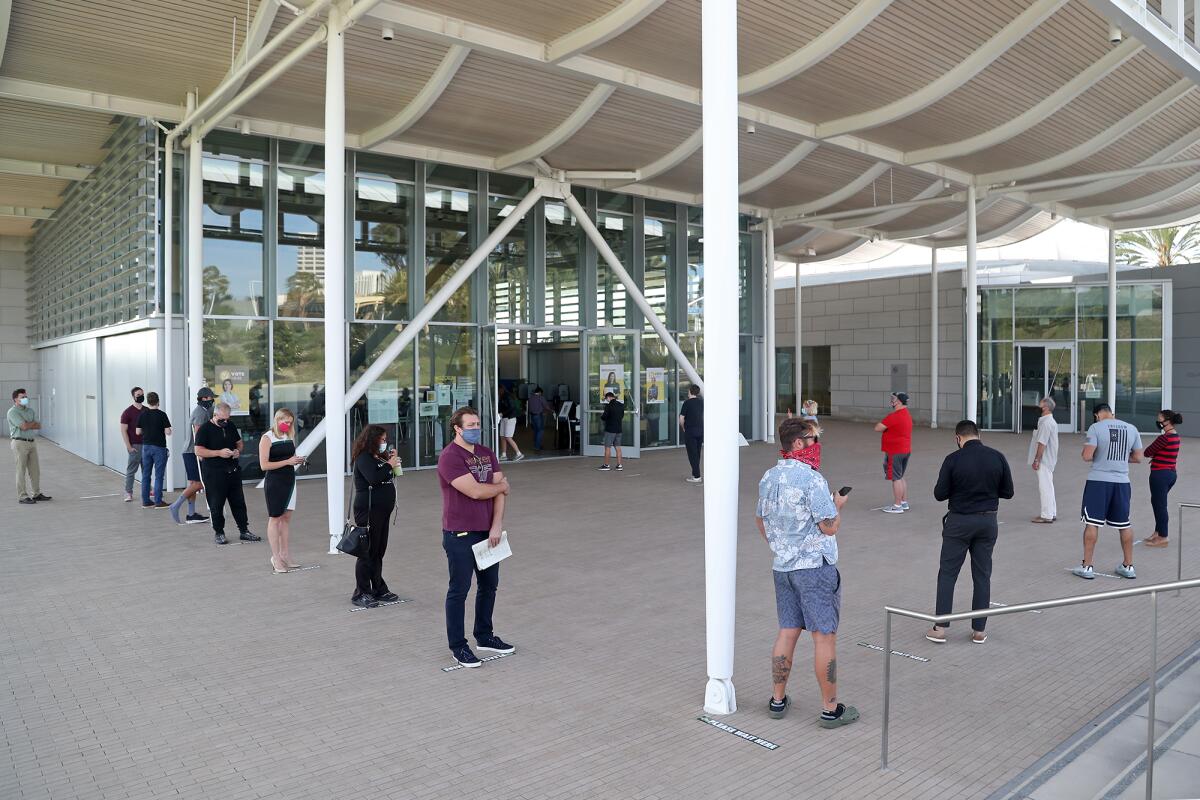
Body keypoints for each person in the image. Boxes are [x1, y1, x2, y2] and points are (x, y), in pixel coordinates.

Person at [756, 416, 856, 728]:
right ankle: (830, 709)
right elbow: (828, 527)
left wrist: (781, 543)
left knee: (787, 631)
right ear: (798, 443)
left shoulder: (768, 477)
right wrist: (837, 504)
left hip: (782, 567)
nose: (816, 446)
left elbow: (761, 521)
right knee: (823, 637)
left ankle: (777, 699)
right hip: (814, 570)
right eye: (812, 439)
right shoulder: (812, 480)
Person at [437, 407, 514, 668]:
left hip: (488, 532)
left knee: (489, 586)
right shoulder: (449, 457)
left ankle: (485, 636)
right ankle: (458, 647)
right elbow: (476, 492)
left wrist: (496, 525)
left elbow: (499, 493)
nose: (475, 429)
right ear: (457, 428)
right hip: (459, 533)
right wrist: (500, 486)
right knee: (459, 590)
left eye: (478, 424)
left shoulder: (487, 453)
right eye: (470, 425)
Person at [925, 420, 1014, 645]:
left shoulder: (952, 460)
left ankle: (940, 628)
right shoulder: (997, 457)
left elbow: (939, 494)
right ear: (979, 434)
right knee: (982, 576)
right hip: (988, 522)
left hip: (959, 522)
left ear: (958, 438)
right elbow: (1008, 492)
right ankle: (979, 631)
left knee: (947, 574)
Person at [1073, 403, 1143, 580]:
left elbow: (1087, 456)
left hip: (1098, 481)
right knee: (1124, 524)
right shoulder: (1132, 428)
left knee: (1092, 522)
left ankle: (1087, 566)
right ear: (1112, 413)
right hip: (1122, 482)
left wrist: (1100, 456)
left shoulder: (1095, 428)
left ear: (1097, 415)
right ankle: (1128, 566)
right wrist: (1120, 459)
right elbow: (1138, 457)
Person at [193, 402, 261, 546]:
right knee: (216, 503)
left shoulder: (230, 426)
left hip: (233, 471)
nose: (225, 422)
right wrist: (218, 453)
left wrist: (237, 451)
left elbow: (239, 443)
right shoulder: (205, 429)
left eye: (227, 419)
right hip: (214, 473)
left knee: (239, 502)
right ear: (215, 415)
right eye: (222, 419)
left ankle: (244, 530)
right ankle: (219, 532)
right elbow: (198, 451)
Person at [349, 424, 402, 606]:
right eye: (382, 439)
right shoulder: (363, 458)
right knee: (367, 551)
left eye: (385, 440)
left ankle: (378, 587)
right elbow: (373, 478)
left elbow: (386, 476)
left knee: (379, 550)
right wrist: (389, 464)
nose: (384, 443)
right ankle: (361, 592)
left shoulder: (379, 457)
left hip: (382, 510)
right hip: (368, 510)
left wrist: (391, 462)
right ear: (373, 439)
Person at [259, 408, 305, 574]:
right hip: (275, 482)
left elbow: (289, 459)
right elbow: (264, 465)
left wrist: (297, 460)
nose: (288, 424)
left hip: (290, 481)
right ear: (277, 420)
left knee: (286, 518)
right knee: (275, 518)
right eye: (285, 421)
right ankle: (275, 557)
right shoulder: (267, 437)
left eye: (290, 422)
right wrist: (288, 461)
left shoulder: (289, 436)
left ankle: (285, 554)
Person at [168, 387, 213, 525]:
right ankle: (175, 505)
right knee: (199, 483)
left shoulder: (203, 411)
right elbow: (199, 434)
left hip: (189, 451)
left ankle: (191, 514)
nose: (212, 400)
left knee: (193, 483)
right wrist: (202, 453)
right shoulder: (200, 413)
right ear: (204, 398)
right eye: (211, 398)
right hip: (192, 452)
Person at [1141, 410, 1183, 548]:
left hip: (1160, 475)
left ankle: (1163, 537)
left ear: (1167, 421)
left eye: (1159, 420)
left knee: (1160, 505)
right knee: (1157, 502)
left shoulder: (1164, 438)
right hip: (1170, 474)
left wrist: (1155, 455)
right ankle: (1158, 532)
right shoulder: (1175, 436)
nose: (1158, 422)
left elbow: (1147, 452)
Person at [8, 388, 49, 505]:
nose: (25, 399)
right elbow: (24, 426)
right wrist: (30, 424)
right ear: (15, 399)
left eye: (26, 397)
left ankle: (37, 493)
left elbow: (39, 425)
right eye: (22, 397)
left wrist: (27, 424)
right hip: (19, 443)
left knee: (35, 470)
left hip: (32, 442)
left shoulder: (30, 411)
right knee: (20, 470)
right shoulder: (12, 412)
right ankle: (22, 496)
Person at [875, 392, 913, 514]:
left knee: (896, 478)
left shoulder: (895, 416)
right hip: (905, 449)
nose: (892, 401)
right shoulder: (906, 414)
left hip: (895, 451)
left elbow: (878, 428)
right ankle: (903, 502)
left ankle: (897, 506)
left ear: (899, 402)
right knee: (900, 476)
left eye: (894, 399)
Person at [135, 392, 172, 509]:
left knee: (146, 475)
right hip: (159, 448)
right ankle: (158, 501)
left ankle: (146, 501)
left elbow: (138, 432)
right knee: (159, 475)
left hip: (146, 447)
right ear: (158, 402)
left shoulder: (142, 415)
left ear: (148, 401)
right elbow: (168, 432)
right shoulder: (162, 415)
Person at [1029, 396, 1060, 524]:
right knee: (1049, 485)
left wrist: (1037, 460)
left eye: (1040, 404)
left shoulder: (1046, 423)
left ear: (1045, 407)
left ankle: (1046, 515)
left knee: (1045, 487)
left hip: (1045, 460)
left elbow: (1042, 443)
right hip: (1049, 459)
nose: (1038, 406)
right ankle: (1051, 513)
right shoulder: (1047, 421)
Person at [119, 387, 145, 502]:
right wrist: (129, 447)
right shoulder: (127, 412)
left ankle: (147, 490)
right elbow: (123, 430)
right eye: (138, 394)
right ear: (133, 396)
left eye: (142, 394)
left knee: (147, 470)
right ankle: (128, 492)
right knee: (131, 471)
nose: (141, 396)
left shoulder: (147, 410)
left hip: (147, 445)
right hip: (135, 446)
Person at [680, 384, 703, 483]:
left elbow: (681, 418)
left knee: (692, 454)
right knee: (697, 453)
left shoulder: (687, 403)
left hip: (690, 431)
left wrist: (683, 427)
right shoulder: (701, 402)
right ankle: (695, 473)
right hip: (700, 430)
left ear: (690, 391)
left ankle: (697, 476)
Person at [598, 391, 625, 471]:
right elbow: (622, 416)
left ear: (609, 397)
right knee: (618, 447)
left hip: (610, 430)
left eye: (607, 399)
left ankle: (606, 465)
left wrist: (602, 416)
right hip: (619, 429)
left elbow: (604, 417)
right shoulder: (621, 405)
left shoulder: (608, 406)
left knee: (607, 447)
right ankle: (619, 465)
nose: (607, 400)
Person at [497, 385, 523, 463]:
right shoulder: (501, 396)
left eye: (498, 390)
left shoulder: (507, 396)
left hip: (510, 418)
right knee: (502, 436)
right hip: (504, 418)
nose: (497, 392)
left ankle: (519, 453)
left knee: (508, 437)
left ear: (501, 389)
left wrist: (502, 413)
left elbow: (511, 407)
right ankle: (504, 455)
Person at [526, 387, 552, 451]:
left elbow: (529, 408)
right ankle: (537, 447)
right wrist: (552, 410)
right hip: (538, 416)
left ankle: (536, 445)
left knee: (535, 431)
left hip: (532, 416)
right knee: (540, 431)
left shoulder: (530, 398)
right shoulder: (541, 397)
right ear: (540, 392)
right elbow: (546, 406)